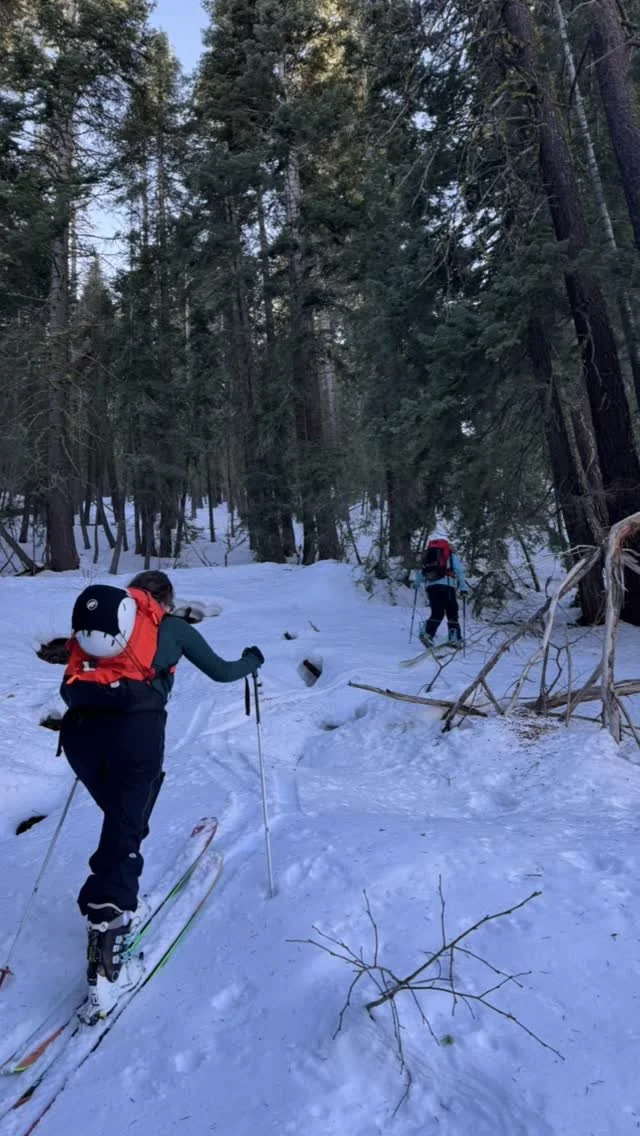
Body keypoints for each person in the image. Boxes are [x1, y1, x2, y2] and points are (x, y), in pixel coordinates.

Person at [59, 569, 263, 999]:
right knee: (126, 826)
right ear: (165, 601)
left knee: (125, 821)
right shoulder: (171, 626)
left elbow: (71, 682)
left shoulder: (103, 624)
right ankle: (109, 932)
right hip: (136, 734)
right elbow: (222, 671)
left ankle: (114, 889)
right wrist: (252, 661)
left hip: (80, 734)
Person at [414, 536, 468, 648]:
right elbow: (459, 571)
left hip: (431, 587)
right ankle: (454, 638)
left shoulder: (429, 556)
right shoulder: (450, 556)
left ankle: (428, 633)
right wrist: (463, 588)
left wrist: (416, 584)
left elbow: (421, 573)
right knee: (452, 612)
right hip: (447, 586)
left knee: (437, 612)